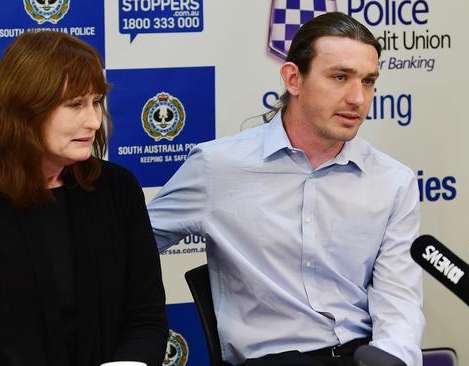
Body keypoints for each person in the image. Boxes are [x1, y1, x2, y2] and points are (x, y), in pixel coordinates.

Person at [148, 11, 424, 366]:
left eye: (368, 81)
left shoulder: (393, 181)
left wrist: (393, 359)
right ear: (293, 78)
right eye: (340, 77)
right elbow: (128, 246)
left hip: (359, 355)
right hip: (271, 359)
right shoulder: (218, 167)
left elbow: (398, 300)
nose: (358, 97)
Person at [0, 31, 168, 366]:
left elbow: (145, 317)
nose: (94, 121)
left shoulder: (117, 189)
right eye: (75, 104)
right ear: (25, 109)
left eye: (96, 102)